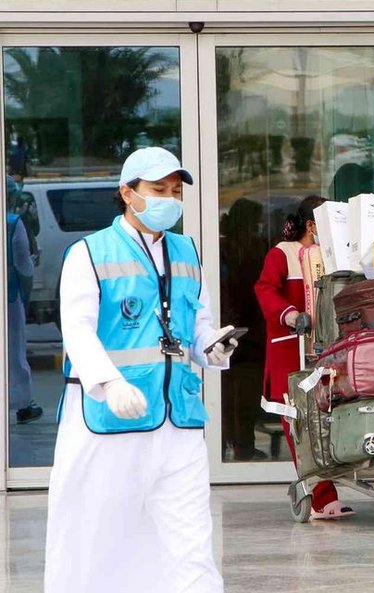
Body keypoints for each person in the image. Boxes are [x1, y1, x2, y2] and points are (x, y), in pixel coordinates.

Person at [45, 147, 236, 592]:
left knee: (190, 538)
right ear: (128, 193)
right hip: (110, 419)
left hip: (177, 420)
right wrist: (110, 383)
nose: (169, 199)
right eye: (158, 190)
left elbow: (197, 326)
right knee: (97, 533)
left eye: (174, 190)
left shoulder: (187, 251)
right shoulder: (88, 254)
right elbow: (77, 330)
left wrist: (212, 348)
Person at [254, 195, 354, 520]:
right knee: (302, 426)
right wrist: (290, 315)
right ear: (312, 225)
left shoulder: (334, 257)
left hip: (327, 353)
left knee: (326, 423)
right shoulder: (281, 255)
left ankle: (325, 493)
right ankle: (322, 498)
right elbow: (265, 290)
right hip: (291, 354)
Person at [220, 198, 268, 461]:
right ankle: (233, 446)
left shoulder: (253, 246)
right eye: (254, 222)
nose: (257, 227)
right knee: (231, 391)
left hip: (252, 324)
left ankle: (242, 446)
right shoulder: (224, 248)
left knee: (245, 392)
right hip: (234, 321)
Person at [6, 175, 41, 424]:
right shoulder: (12, 223)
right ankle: (23, 405)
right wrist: (26, 290)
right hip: (8, 297)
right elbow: (22, 264)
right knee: (14, 350)